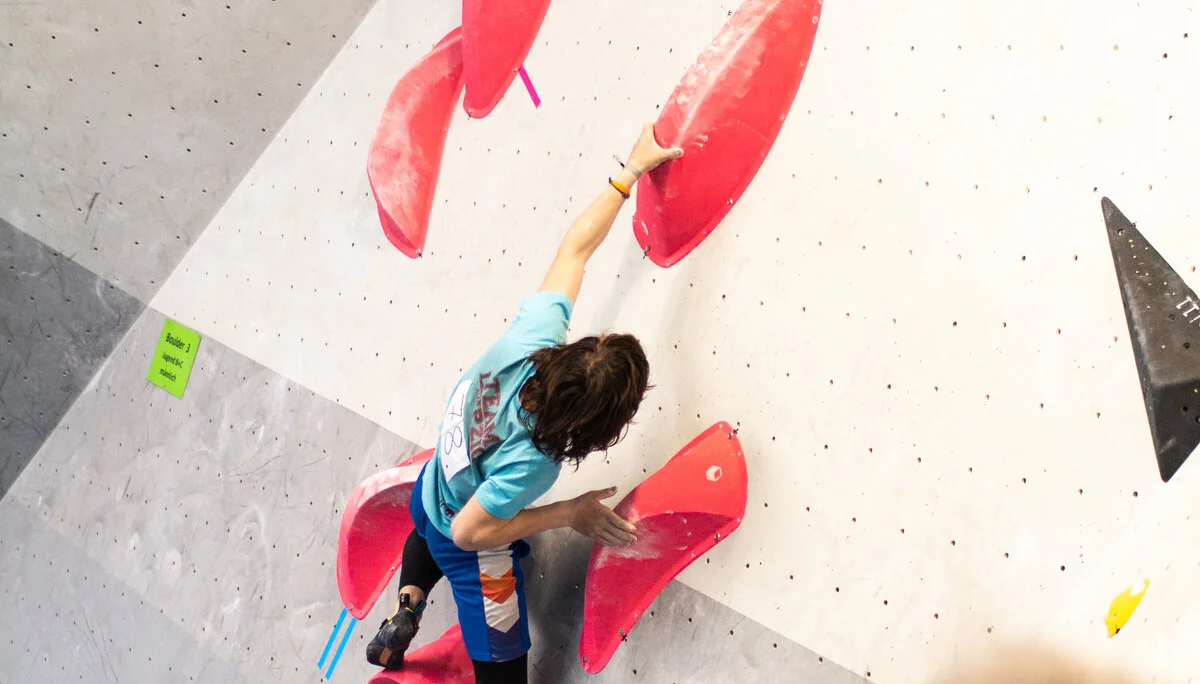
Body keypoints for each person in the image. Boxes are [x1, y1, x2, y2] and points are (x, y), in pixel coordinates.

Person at [366, 123, 683, 682]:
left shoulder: (530, 339)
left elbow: (575, 249)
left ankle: (407, 611)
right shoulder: (534, 462)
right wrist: (570, 513)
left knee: (427, 529)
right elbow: (469, 533)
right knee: (506, 670)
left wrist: (627, 173)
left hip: (433, 484)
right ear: (599, 428)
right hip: (464, 536)